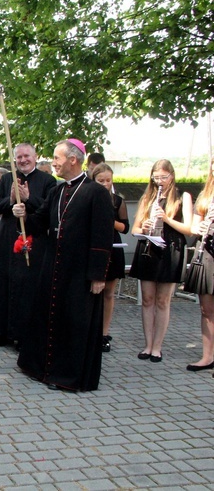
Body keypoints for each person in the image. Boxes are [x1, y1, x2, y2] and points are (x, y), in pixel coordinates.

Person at [13, 138, 114, 392]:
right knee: (49, 318)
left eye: (57, 158)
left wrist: (98, 275)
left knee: (74, 323)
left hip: (80, 270)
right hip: (54, 265)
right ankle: (44, 369)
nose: (53, 162)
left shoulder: (96, 193)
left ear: (73, 159)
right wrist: (23, 215)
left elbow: (103, 237)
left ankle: (68, 376)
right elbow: (39, 222)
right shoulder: (57, 191)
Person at [0, 143, 57, 348]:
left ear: (34, 157)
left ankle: (25, 334)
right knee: (4, 281)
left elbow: (50, 210)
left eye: (26, 156)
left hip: (34, 238)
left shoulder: (48, 181)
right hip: (8, 236)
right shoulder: (8, 178)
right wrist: (10, 200)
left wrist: (28, 199)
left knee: (28, 286)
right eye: (19, 157)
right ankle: (5, 332)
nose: (23, 160)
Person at [129, 159, 192, 363]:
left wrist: (166, 219)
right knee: (147, 298)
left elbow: (189, 229)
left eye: (163, 177)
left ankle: (158, 346)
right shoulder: (148, 197)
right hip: (149, 248)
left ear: (172, 176)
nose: (159, 182)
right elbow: (135, 230)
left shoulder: (183, 197)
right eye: (156, 178)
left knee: (163, 300)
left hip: (170, 250)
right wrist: (145, 227)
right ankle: (147, 345)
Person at [91, 164, 128, 353]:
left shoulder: (117, 201)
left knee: (109, 293)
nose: (105, 184)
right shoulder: (89, 198)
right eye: (101, 181)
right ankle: (90, 332)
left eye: (108, 180)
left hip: (113, 248)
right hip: (93, 248)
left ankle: (104, 333)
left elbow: (125, 227)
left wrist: (110, 220)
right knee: (91, 292)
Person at [183, 157, 214, 372]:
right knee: (206, 309)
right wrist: (201, 226)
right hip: (207, 255)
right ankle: (207, 356)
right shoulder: (206, 196)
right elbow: (193, 228)